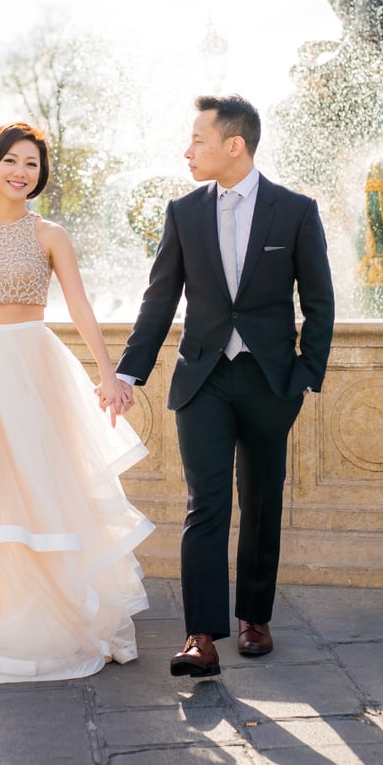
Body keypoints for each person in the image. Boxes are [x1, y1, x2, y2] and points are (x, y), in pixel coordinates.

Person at [112, 94, 334, 678]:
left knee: (262, 501)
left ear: (234, 145)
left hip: (269, 382)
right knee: (204, 505)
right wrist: (127, 372)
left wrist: (305, 374)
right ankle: (200, 637)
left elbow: (319, 300)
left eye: (199, 141)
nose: (187, 151)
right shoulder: (183, 212)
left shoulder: (294, 211)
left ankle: (254, 619)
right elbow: (159, 300)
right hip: (203, 379)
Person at [0, 121, 153, 683]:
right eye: (12, 161)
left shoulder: (50, 235)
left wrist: (108, 374)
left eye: (31, 164)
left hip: (34, 366)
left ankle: (57, 609)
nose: (21, 172)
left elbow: (78, 307)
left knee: (43, 483)